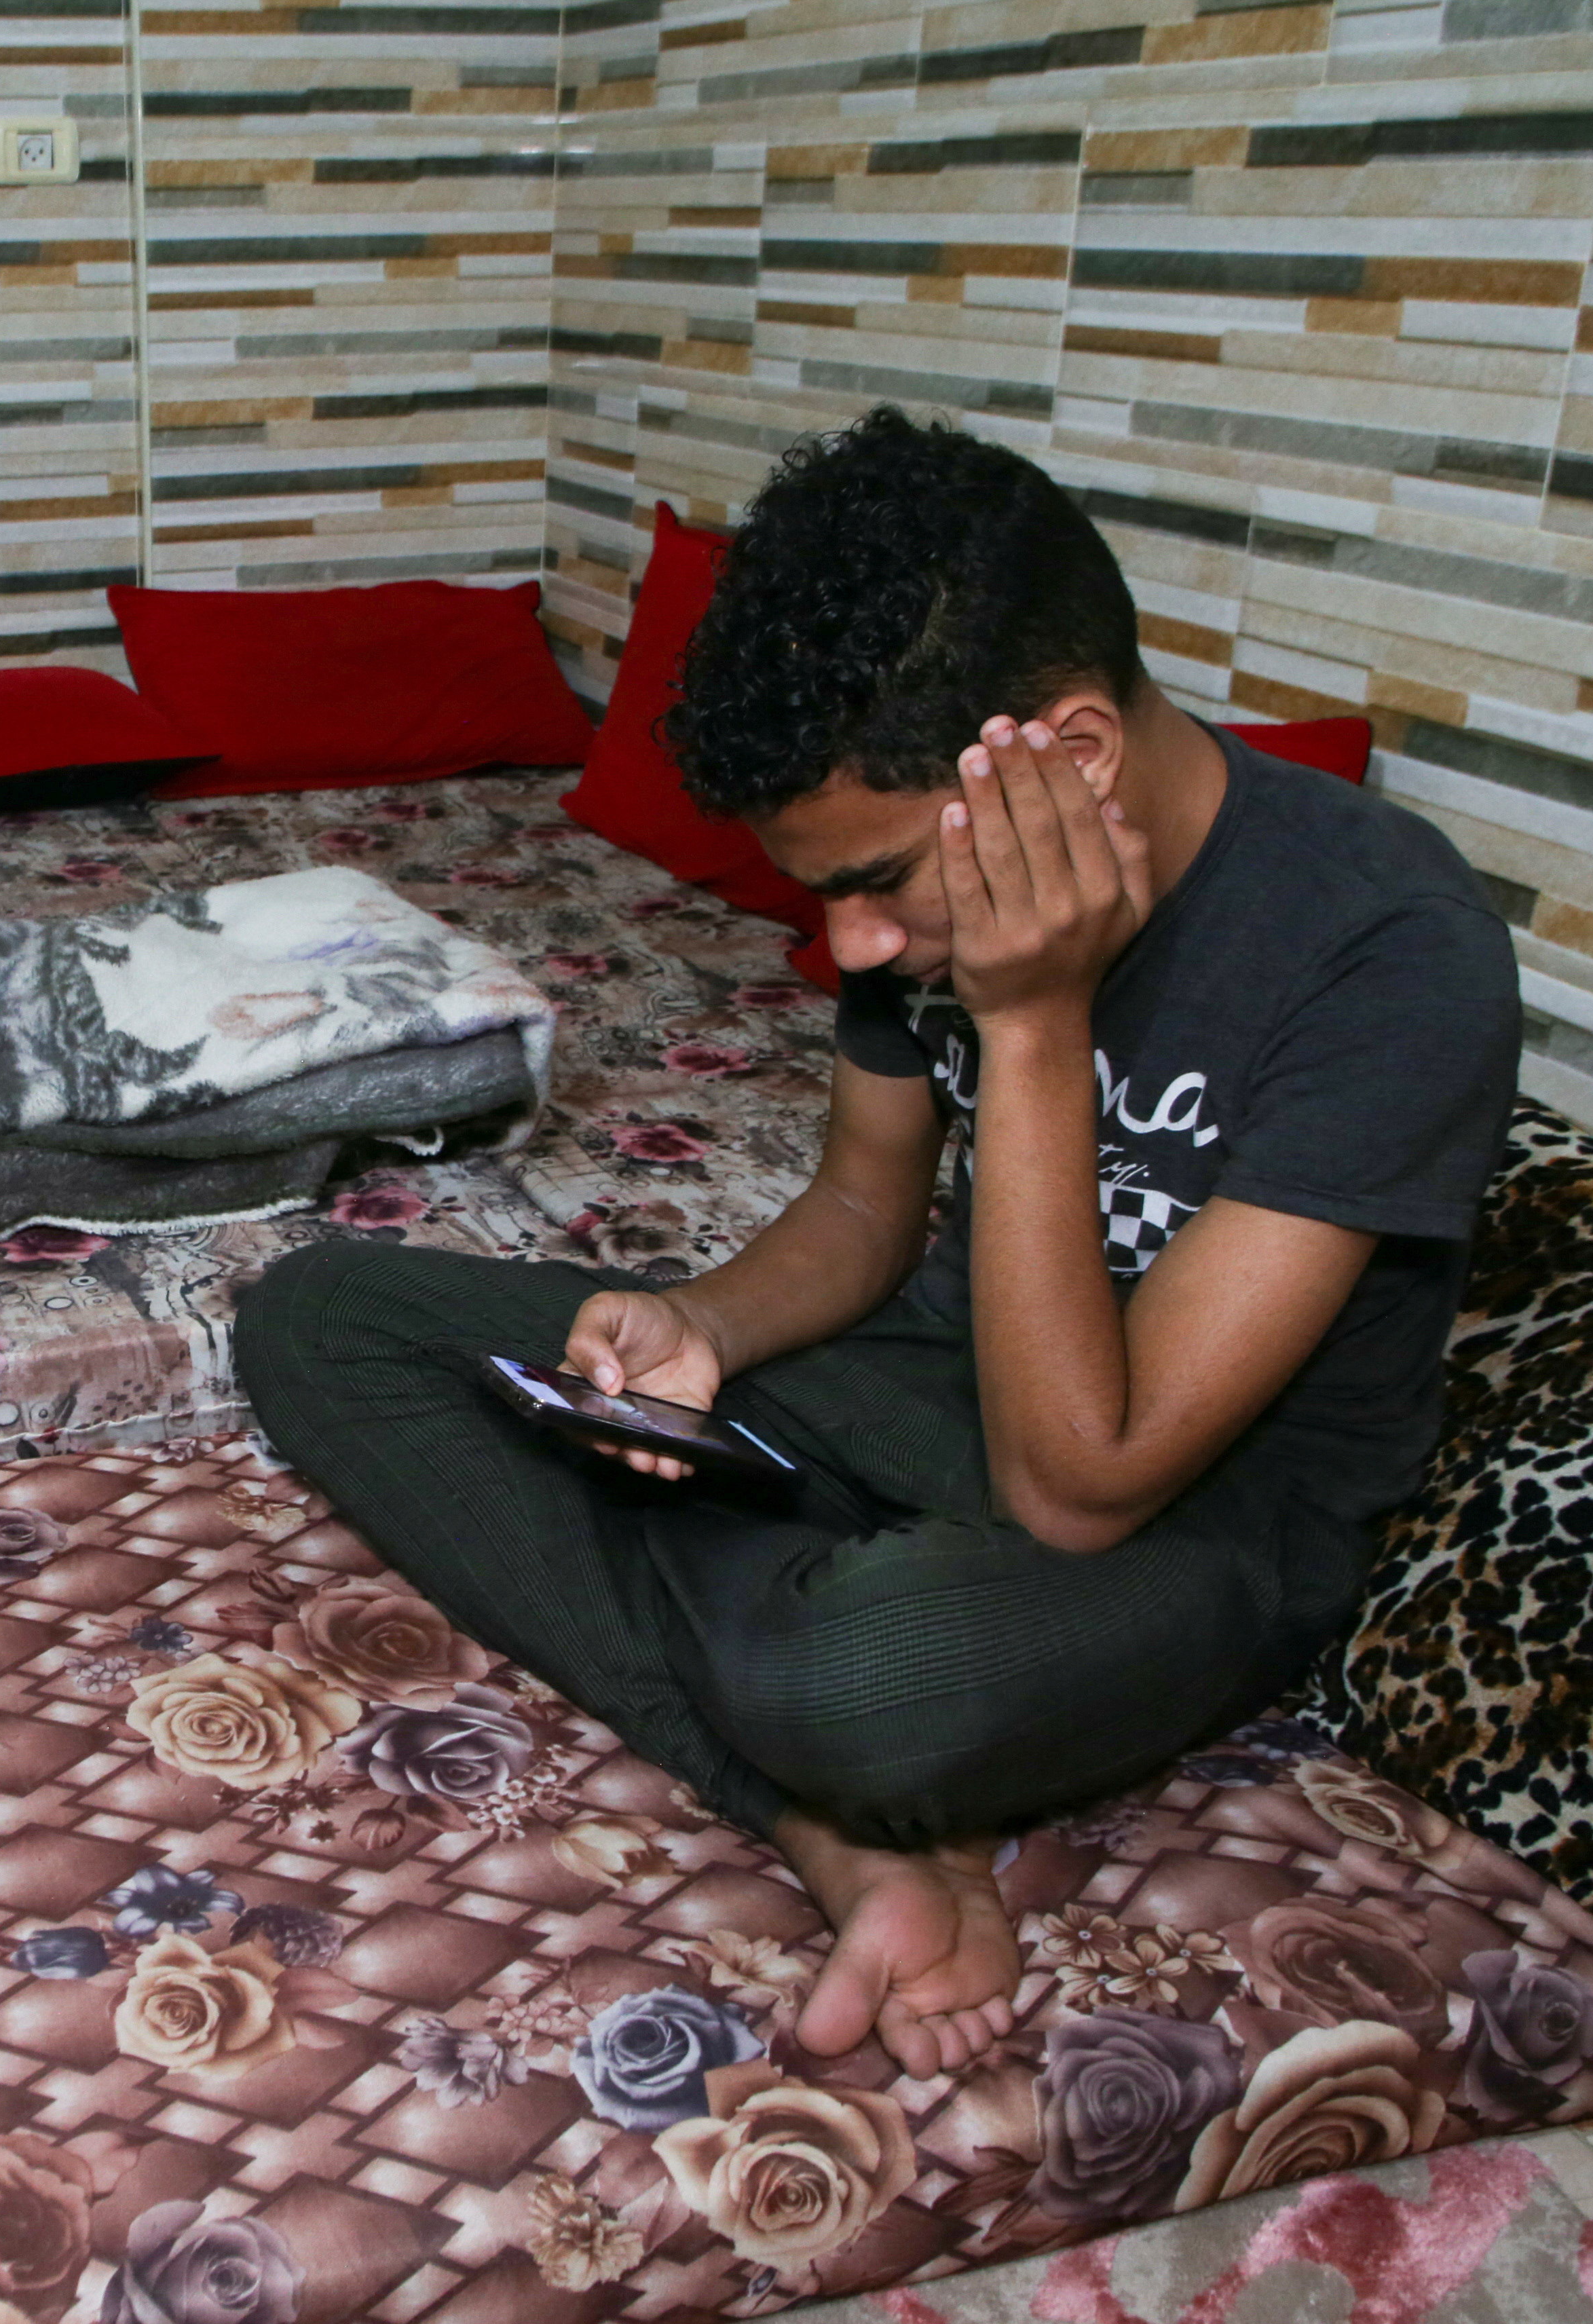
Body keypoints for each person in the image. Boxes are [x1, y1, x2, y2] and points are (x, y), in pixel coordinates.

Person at [233, 406, 1521, 2081]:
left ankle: (794, 1724)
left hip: (1198, 1516)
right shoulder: (918, 878)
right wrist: (699, 1324)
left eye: (879, 882)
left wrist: (1035, 1018)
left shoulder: (1386, 945)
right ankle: (838, 1832)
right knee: (321, 1316)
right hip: (924, 1385)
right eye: (820, 894)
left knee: (856, 1679)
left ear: (1065, 756)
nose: (850, 940)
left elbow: (1085, 1478)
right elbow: (860, 1209)